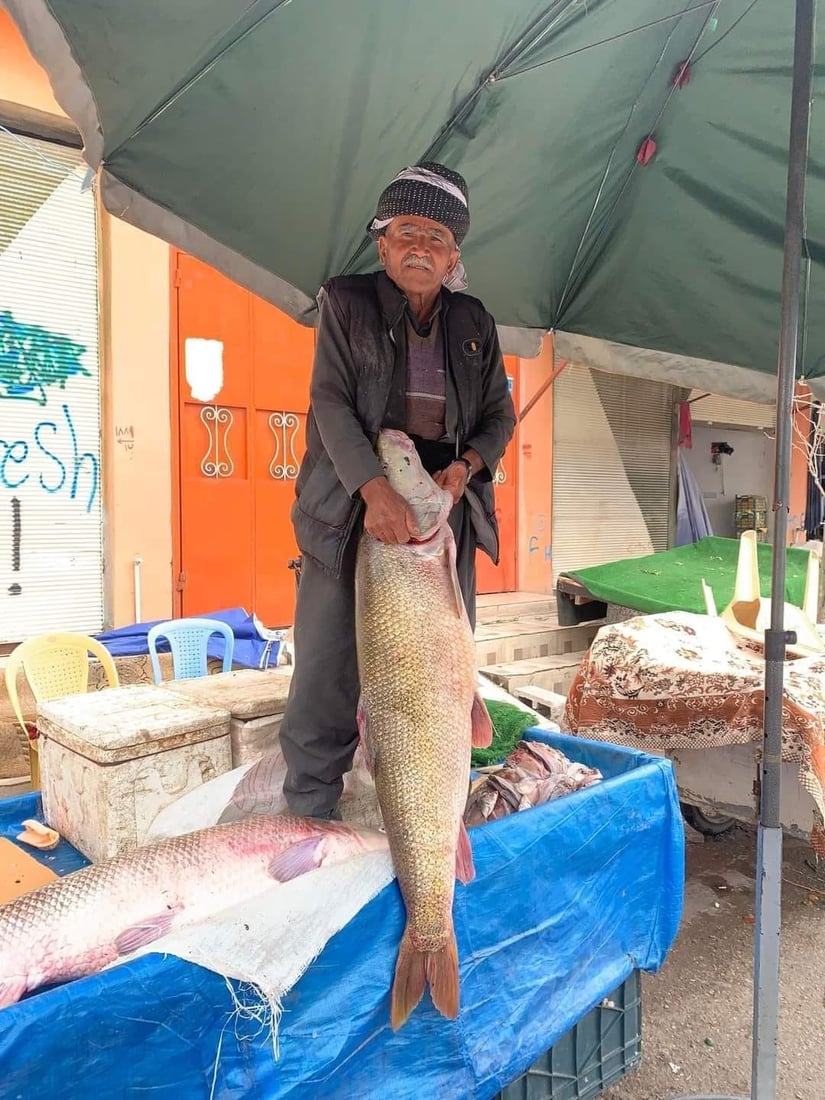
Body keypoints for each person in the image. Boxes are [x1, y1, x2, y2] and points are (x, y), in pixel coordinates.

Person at [280, 162, 516, 819]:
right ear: (381, 242)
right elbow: (329, 401)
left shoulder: (474, 322)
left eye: (436, 237)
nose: (420, 248)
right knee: (327, 667)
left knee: (440, 675)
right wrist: (371, 490)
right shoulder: (346, 302)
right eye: (406, 231)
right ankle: (308, 805)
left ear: (453, 256)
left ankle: (429, 811)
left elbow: (499, 416)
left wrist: (464, 467)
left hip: (442, 512)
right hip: (349, 504)